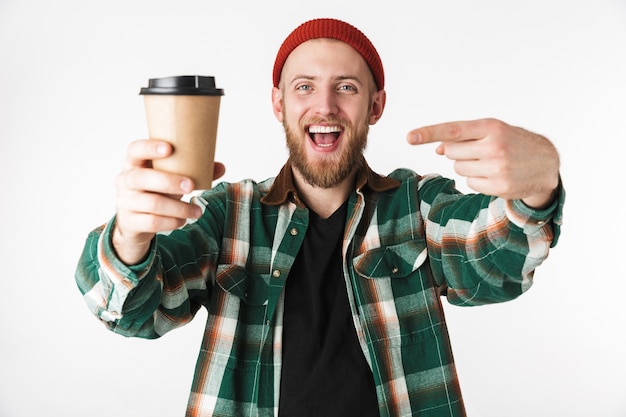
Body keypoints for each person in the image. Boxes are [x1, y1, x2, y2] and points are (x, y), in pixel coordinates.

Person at [75, 18, 564, 417]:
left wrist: (536, 188)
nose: (324, 105)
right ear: (278, 103)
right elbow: (130, 312)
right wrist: (130, 237)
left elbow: (495, 257)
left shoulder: (416, 205)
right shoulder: (226, 215)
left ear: (375, 107)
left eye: (346, 87)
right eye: (304, 86)